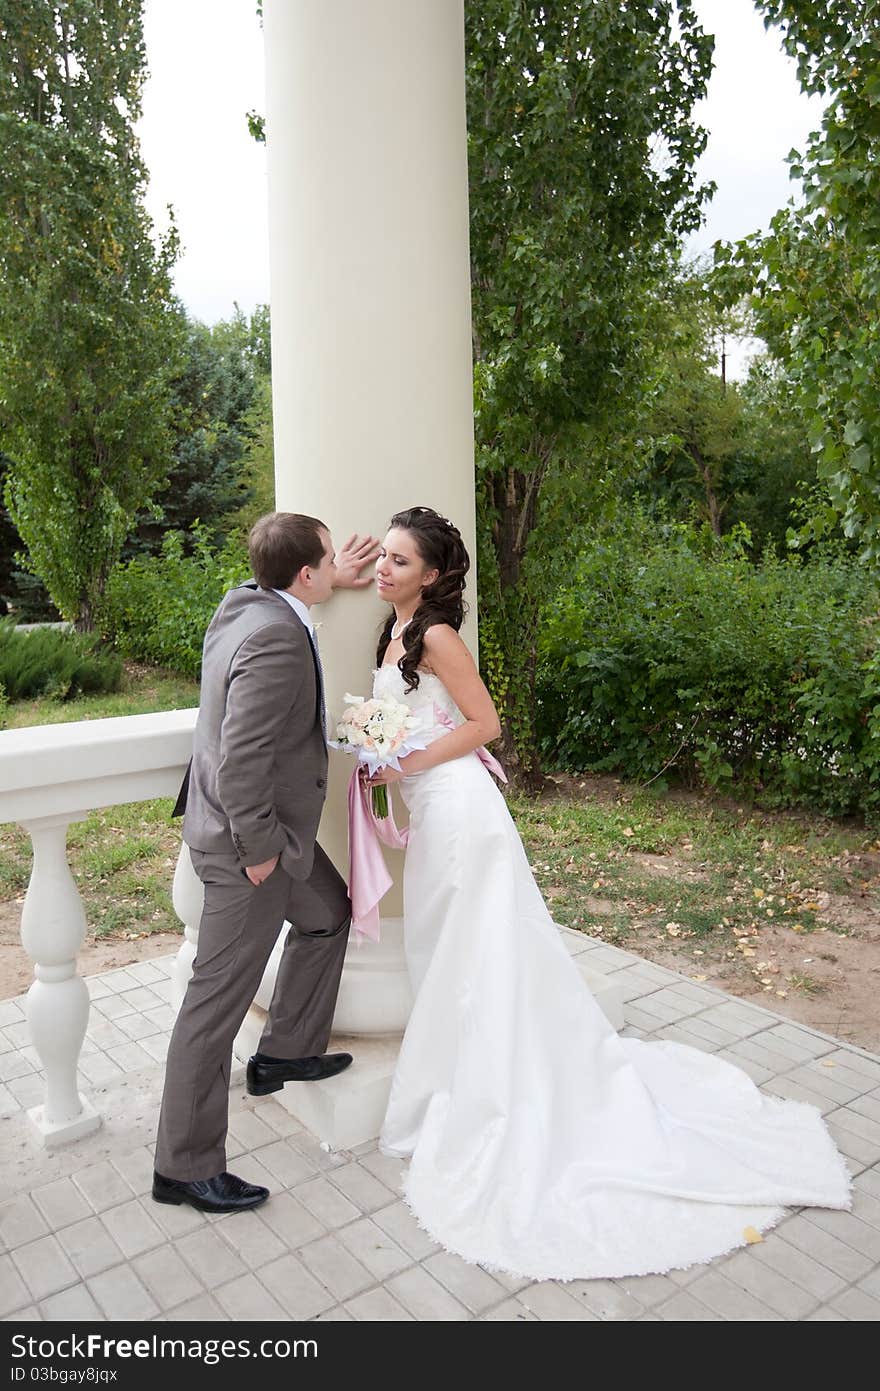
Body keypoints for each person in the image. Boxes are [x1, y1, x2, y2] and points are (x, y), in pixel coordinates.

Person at [360, 504, 851, 1280]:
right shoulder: (391, 631)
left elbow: (485, 723)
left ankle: (496, 1090)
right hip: (434, 815)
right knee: (448, 950)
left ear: (432, 575)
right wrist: (381, 750)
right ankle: (465, 1072)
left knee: (471, 950)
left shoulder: (438, 637)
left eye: (398, 560)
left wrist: (406, 762)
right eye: (380, 556)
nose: (384, 568)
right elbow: (404, 715)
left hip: (461, 814)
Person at [153, 512, 378, 1215]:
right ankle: (184, 1167)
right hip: (250, 846)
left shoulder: (242, 603)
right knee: (211, 1007)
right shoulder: (276, 638)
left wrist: (328, 578)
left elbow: (289, 581)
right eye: (328, 558)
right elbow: (243, 756)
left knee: (329, 912)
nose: (338, 563)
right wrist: (257, 856)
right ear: (305, 575)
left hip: (274, 837)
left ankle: (284, 1050)